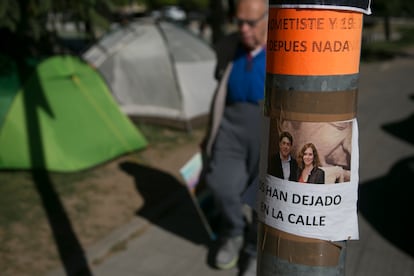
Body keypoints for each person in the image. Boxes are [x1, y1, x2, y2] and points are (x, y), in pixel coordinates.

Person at [200, 0, 268, 275]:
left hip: (265, 126)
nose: (243, 29)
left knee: (261, 196)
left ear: (268, 19)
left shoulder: (283, 48)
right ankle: (233, 232)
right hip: (230, 124)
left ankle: (254, 249)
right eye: (238, 21)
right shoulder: (229, 46)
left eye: (250, 23)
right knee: (221, 184)